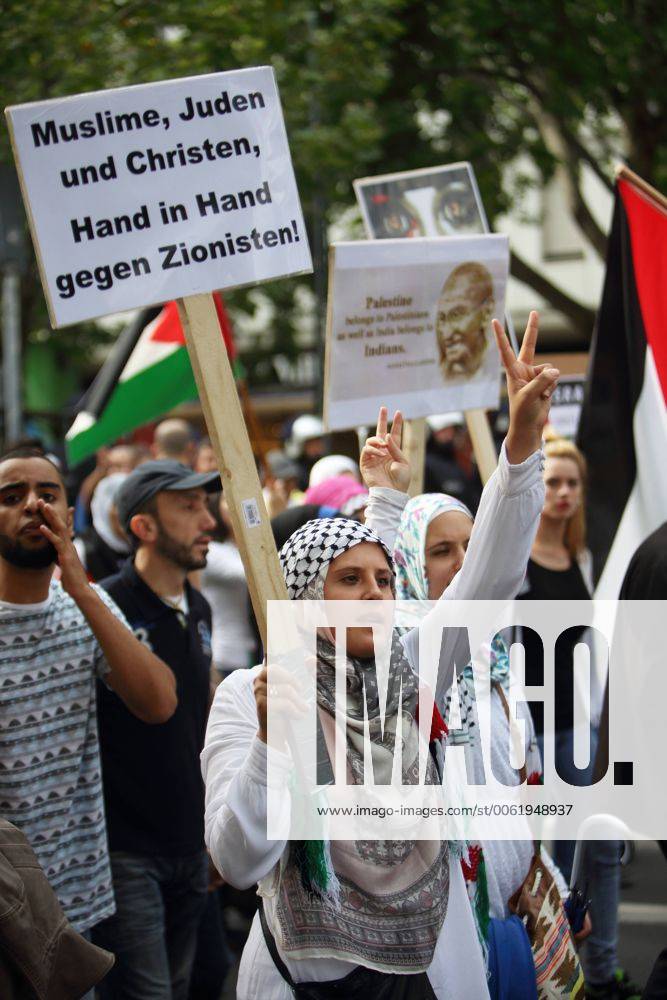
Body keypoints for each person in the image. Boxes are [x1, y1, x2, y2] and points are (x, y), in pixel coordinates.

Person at [201, 312, 560, 998]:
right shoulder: (256, 692)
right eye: (349, 580)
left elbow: (489, 577)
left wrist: (520, 442)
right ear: (306, 598)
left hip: (431, 963)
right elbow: (238, 858)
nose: (373, 594)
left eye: (385, 580)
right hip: (307, 976)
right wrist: (272, 746)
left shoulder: (412, 664)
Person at [0, 446, 177, 942]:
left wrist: (80, 588)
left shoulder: (87, 604)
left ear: (69, 513)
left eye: (47, 494)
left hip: (73, 907)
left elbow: (158, 703)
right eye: (12, 496)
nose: (33, 506)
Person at [91, 459, 221, 999]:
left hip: (190, 842)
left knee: (189, 982)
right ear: (143, 527)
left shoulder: (200, 605)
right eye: (188, 508)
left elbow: (206, 719)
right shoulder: (103, 606)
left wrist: (216, 827)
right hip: (127, 851)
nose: (209, 520)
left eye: (206, 505)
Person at [200, 492, 257, 681]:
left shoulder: (244, 549)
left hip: (254, 653)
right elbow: (254, 574)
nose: (236, 506)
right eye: (227, 500)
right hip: (226, 657)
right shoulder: (213, 552)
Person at [73, 471, 130, 580]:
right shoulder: (82, 550)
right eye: (120, 505)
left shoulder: (144, 547)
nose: (127, 513)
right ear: (105, 507)